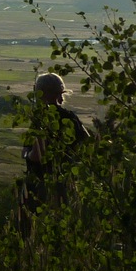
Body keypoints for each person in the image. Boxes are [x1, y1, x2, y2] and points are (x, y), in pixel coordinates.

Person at [22, 71, 91, 212]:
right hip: (66, 182)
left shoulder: (40, 120)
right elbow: (87, 144)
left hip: (39, 186)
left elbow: (37, 156)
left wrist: (26, 154)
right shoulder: (70, 118)